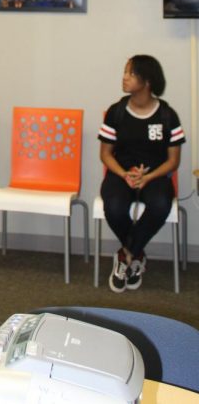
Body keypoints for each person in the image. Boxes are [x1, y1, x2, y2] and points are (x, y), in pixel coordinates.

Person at [98, 55, 185, 293]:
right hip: (120, 174)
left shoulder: (167, 115)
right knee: (114, 206)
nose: (124, 78)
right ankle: (136, 255)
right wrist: (125, 174)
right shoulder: (116, 112)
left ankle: (126, 254)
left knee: (160, 203)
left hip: (155, 176)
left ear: (147, 81)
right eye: (125, 72)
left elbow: (173, 161)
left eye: (131, 73)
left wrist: (147, 177)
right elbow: (105, 154)